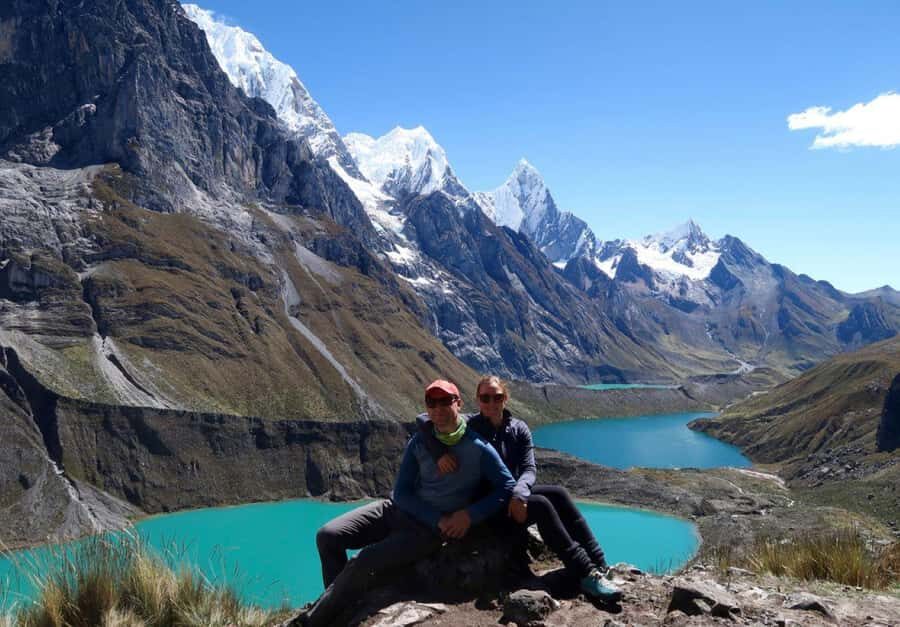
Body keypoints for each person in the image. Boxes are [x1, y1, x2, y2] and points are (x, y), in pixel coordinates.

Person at [301, 379, 515, 626]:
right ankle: (339, 605)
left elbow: (506, 486)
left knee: (364, 561)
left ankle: (313, 620)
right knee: (327, 536)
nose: (438, 408)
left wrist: (469, 515)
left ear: (459, 403)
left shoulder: (478, 447)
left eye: (445, 401)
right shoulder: (421, 442)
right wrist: (438, 517)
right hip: (395, 510)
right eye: (431, 403)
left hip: (426, 532)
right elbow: (401, 492)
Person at [416, 375, 621, 602]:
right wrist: (438, 453)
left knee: (559, 494)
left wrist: (519, 493)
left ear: (506, 398)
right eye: (485, 398)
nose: (491, 403)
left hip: (510, 498)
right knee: (542, 506)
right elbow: (423, 418)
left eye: (497, 397)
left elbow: (529, 468)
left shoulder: (518, 428)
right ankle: (586, 573)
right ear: (477, 400)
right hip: (485, 508)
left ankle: (599, 562)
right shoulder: (469, 427)